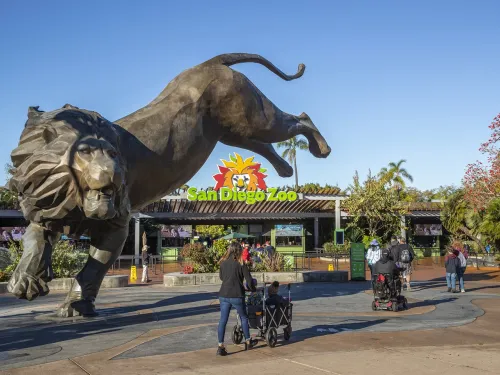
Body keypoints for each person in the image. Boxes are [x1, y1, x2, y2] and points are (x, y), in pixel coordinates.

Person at [217, 242, 258, 356]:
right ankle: (248, 341)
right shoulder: (241, 264)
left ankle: (220, 346)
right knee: (243, 317)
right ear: (239, 251)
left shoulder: (223, 263)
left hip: (224, 294)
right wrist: (252, 289)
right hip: (237, 295)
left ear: (229, 250)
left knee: (223, 320)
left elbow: (221, 277)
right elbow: (249, 281)